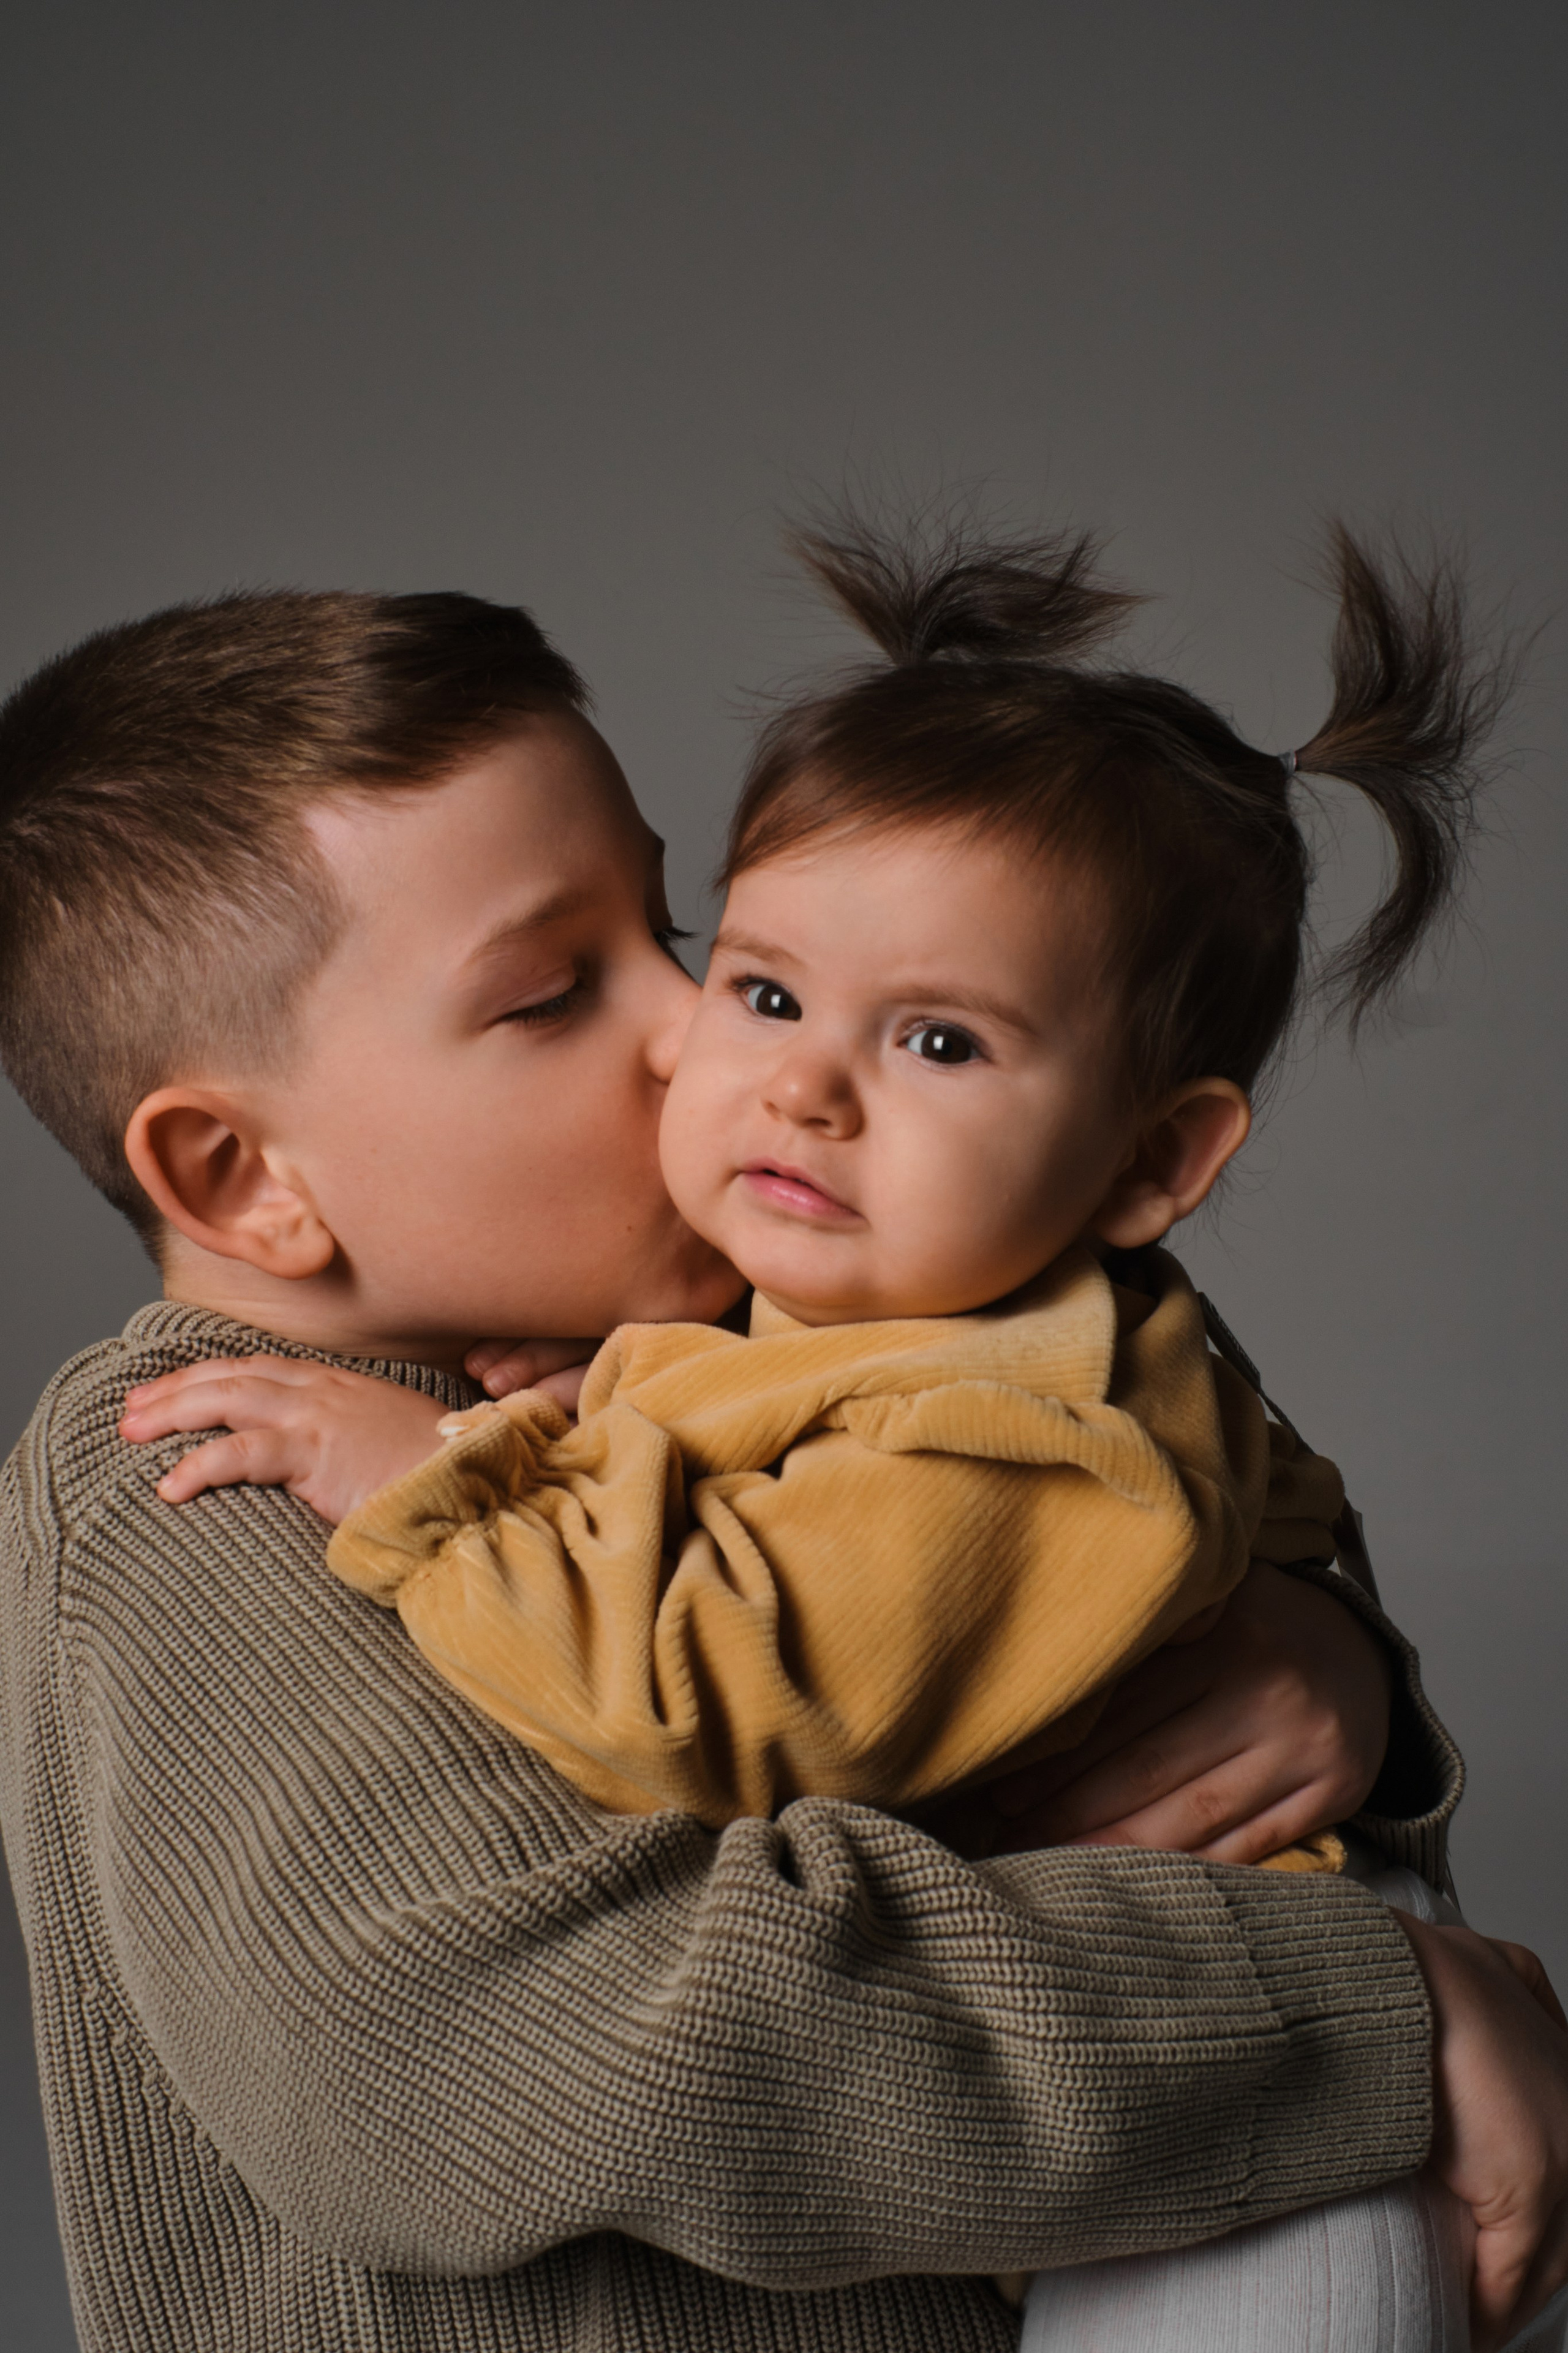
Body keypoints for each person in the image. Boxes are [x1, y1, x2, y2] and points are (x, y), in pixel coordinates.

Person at [0, 581, 1561, 2353]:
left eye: (675, 928)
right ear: (240, 1178)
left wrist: (1318, 1658)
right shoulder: (191, 1490)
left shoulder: (756, 1327)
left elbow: (1140, 1463)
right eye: (551, 993)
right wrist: (1369, 2013)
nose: (701, 1031)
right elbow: (536, 2050)